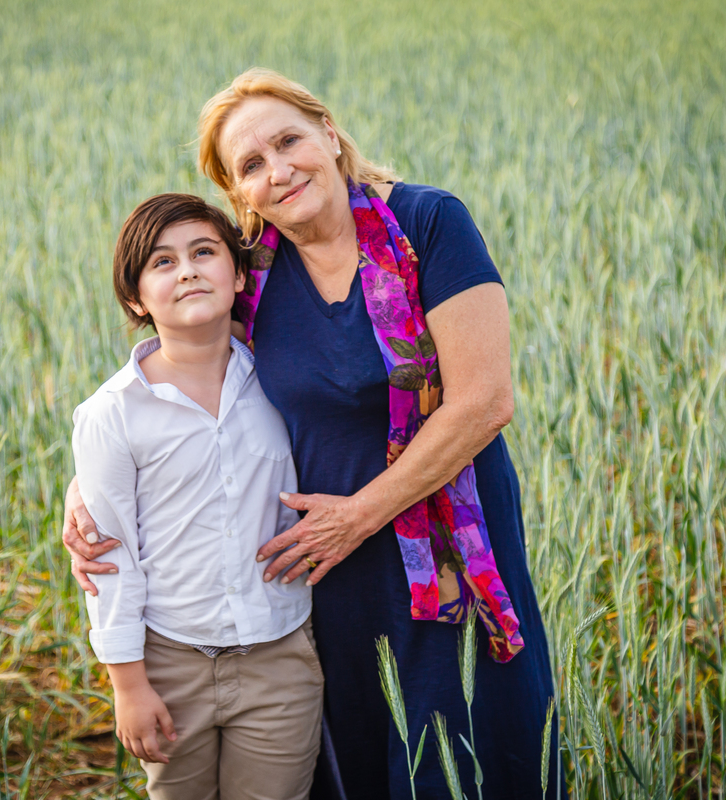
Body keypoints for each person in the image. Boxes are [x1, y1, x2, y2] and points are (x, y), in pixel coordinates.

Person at [66, 70, 564, 799]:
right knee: (358, 754)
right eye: (252, 165)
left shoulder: (428, 224)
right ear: (241, 194)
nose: (280, 169)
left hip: (446, 553)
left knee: (464, 753)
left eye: (289, 140)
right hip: (327, 575)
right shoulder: (256, 271)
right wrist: (89, 484)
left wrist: (358, 517)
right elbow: (177, 369)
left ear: (329, 134)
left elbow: (485, 401)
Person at [71, 193, 323, 800]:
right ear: (135, 298)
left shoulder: (283, 379)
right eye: (161, 262)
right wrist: (128, 685)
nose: (186, 270)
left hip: (279, 658)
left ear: (238, 275)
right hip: (169, 661)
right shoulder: (112, 413)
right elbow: (110, 558)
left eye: (203, 253)